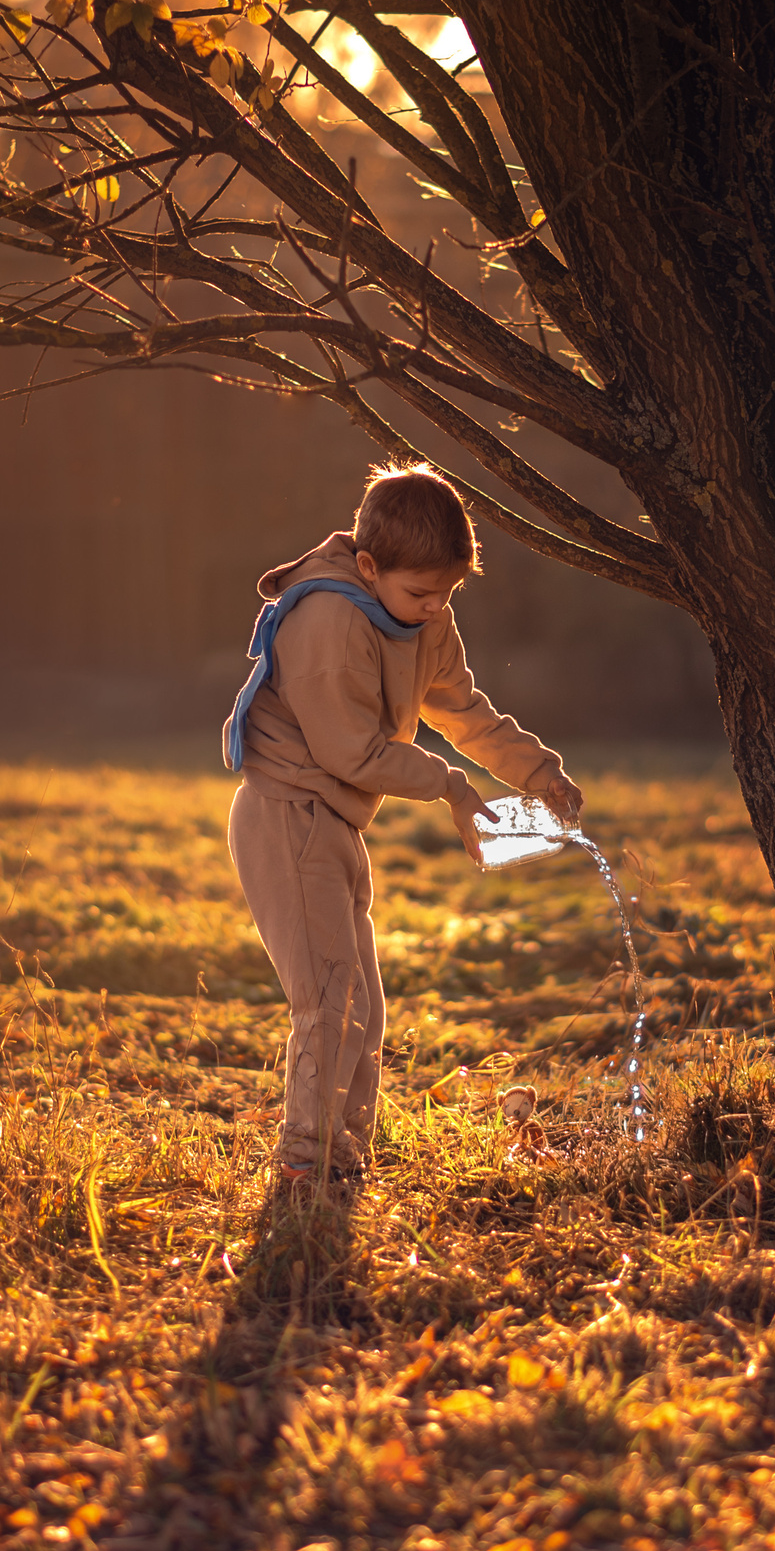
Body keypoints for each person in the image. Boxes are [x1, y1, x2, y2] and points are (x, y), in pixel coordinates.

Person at [223, 463, 583, 1191]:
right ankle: (304, 1157)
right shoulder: (329, 621)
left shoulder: (423, 618)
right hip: (287, 816)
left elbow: (463, 711)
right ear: (367, 566)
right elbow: (349, 750)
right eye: (420, 593)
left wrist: (538, 771)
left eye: (445, 593)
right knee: (326, 997)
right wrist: (448, 785)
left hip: (337, 824)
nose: (431, 608)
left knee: (363, 1001)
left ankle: (343, 1152)